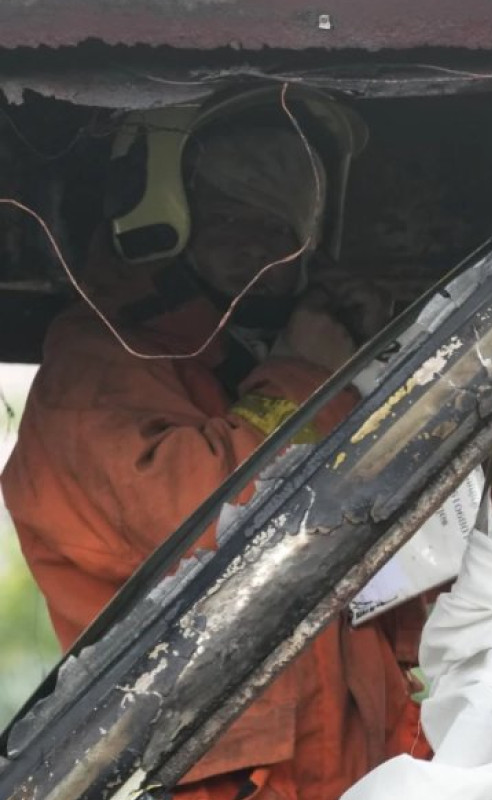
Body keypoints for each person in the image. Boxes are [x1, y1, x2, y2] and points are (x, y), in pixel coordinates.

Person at [2, 86, 426, 800]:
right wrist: (302, 378)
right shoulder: (98, 364)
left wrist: (392, 375)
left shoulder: (298, 363)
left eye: (280, 228)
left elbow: (453, 542)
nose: (258, 248)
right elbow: (211, 531)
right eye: (232, 218)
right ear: (162, 208)